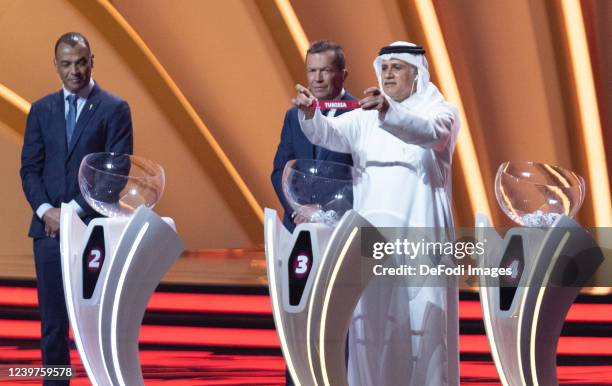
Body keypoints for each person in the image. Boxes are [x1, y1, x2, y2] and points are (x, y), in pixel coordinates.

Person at [293, 41, 460, 385]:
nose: (388, 75)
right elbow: (329, 133)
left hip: (420, 244)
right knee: (370, 331)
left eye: (397, 68)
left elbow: (426, 133)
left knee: (423, 335)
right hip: (372, 246)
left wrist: (388, 112)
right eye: (384, 68)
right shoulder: (363, 117)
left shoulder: (441, 113)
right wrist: (311, 113)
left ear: (418, 74)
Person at [20, 32, 133, 385]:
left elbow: (116, 172)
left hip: (94, 231)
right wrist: (45, 211)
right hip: (48, 233)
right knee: (53, 325)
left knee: (97, 322)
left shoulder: (115, 109)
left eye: (81, 62)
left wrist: (73, 212)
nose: (74, 71)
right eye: (66, 64)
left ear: (92, 61)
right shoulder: (40, 110)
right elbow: (30, 169)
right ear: (56, 66)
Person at [271, 39, 354, 233]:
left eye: (325, 70)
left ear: (343, 75)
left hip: (339, 228)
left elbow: (365, 178)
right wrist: (299, 208)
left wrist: (322, 212)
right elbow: (279, 171)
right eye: (311, 70)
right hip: (297, 225)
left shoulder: (360, 115)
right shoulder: (294, 116)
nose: (317, 78)